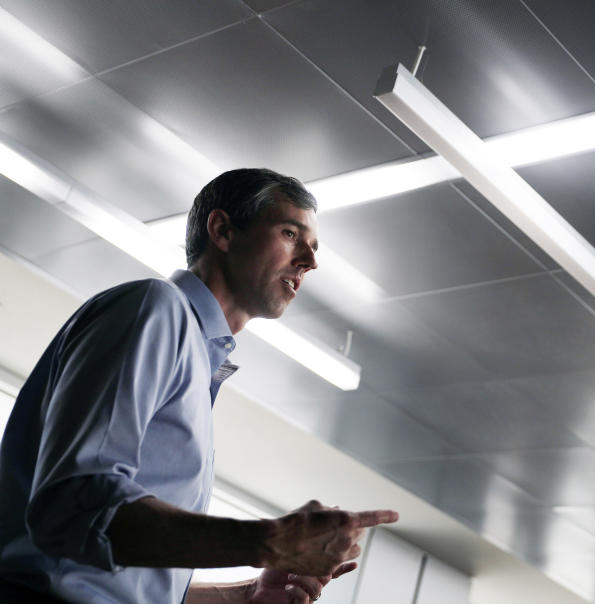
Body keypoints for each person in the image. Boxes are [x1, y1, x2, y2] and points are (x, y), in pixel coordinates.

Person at [0, 168, 398, 603]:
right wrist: (269, 540)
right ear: (223, 230)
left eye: (313, 247)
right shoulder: (155, 308)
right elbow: (76, 508)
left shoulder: (199, 358)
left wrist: (245, 594)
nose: (310, 260)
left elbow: (126, 581)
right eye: (290, 233)